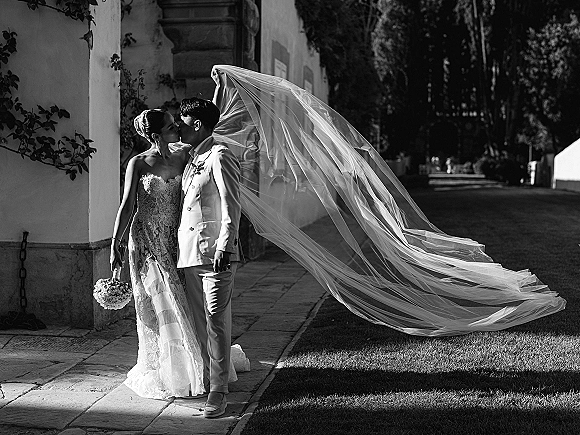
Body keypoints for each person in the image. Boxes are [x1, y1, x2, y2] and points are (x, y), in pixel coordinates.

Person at [109, 108, 206, 399]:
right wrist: (116, 242)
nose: (177, 127)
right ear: (155, 135)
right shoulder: (137, 163)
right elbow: (128, 205)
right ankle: (163, 369)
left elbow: (209, 129)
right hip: (145, 239)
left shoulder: (185, 155)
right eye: (170, 126)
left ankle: (190, 364)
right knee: (158, 301)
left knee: (180, 298)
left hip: (175, 239)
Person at [176, 96, 242, 419]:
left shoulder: (220, 156)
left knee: (216, 322)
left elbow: (232, 206)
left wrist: (224, 246)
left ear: (198, 125)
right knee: (199, 322)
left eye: (183, 122)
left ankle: (219, 392)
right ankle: (211, 376)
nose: (178, 126)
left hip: (216, 254)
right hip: (189, 255)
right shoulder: (191, 158)